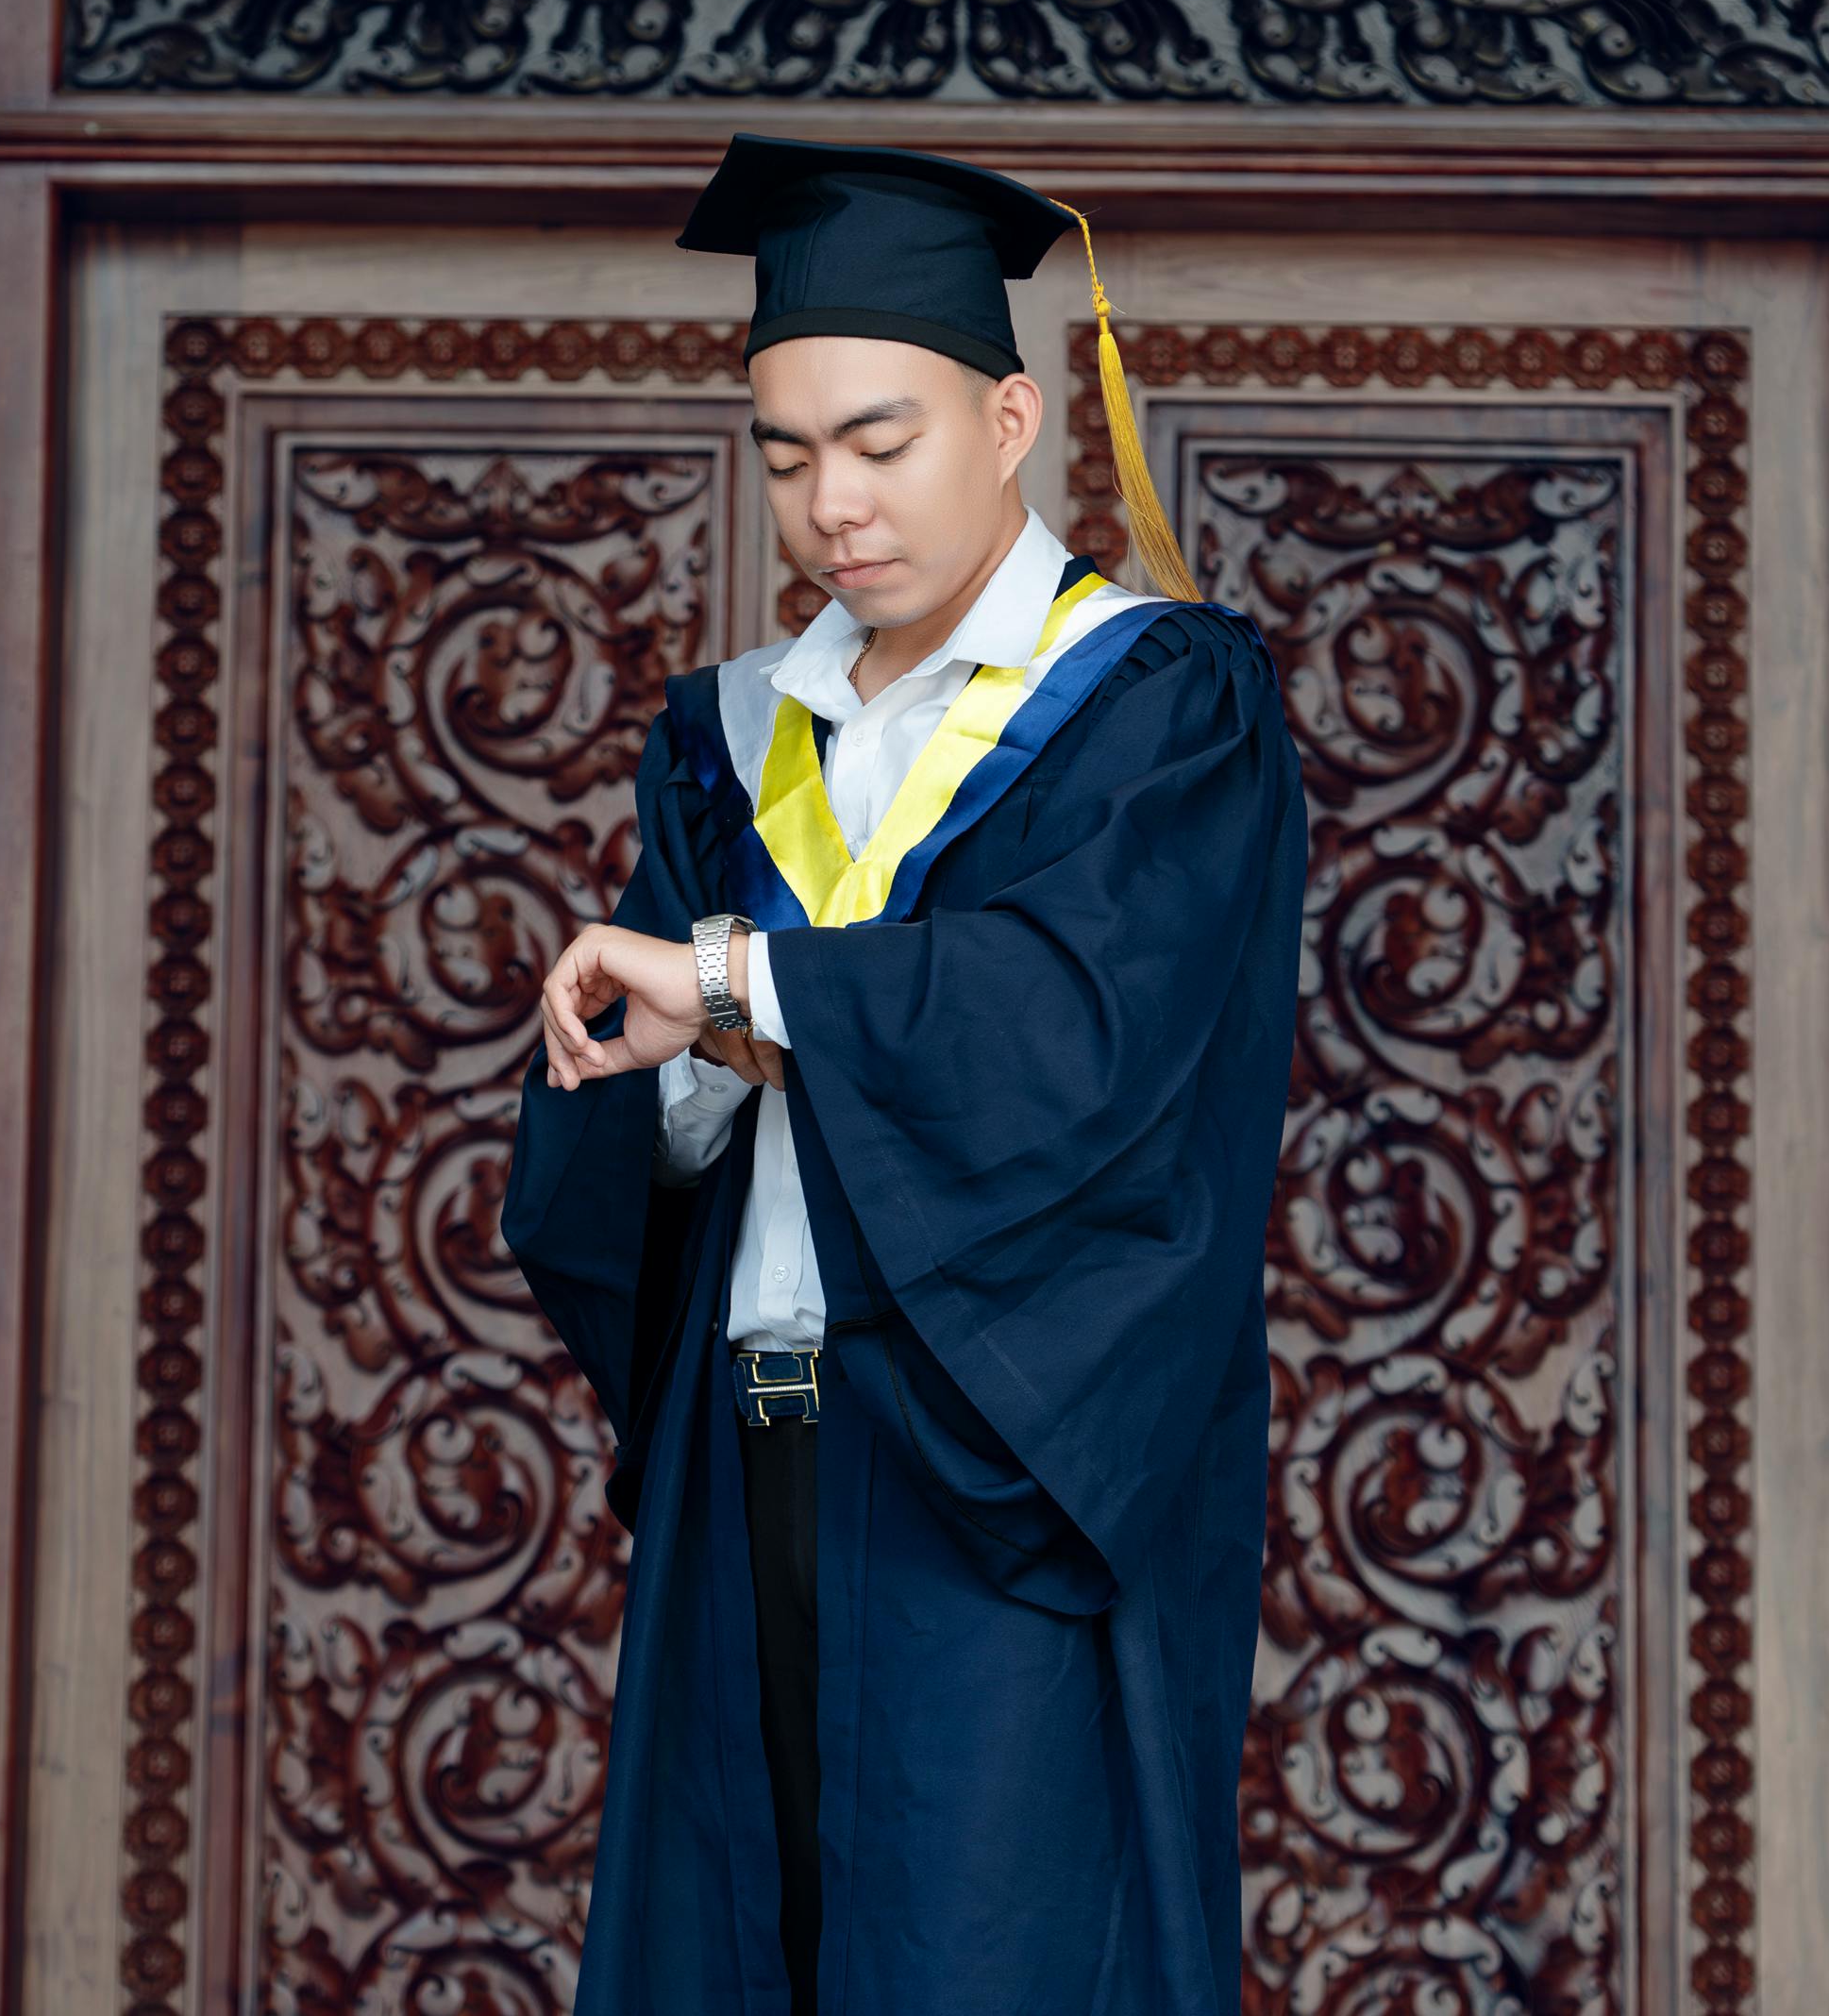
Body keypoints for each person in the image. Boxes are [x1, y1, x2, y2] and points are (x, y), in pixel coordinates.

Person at [499, 133, 1304, 2016]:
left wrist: (724, 983)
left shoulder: (1160, 706)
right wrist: (664, 1068)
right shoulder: (728, 735)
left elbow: (1073, 1039)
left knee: (985, 1960)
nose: (829, 503)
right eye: (786, 454)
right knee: (734, 1952)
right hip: (747, 1435)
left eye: (881, 441)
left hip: (998, 1471)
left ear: (1012, 418)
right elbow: (668, 1108)